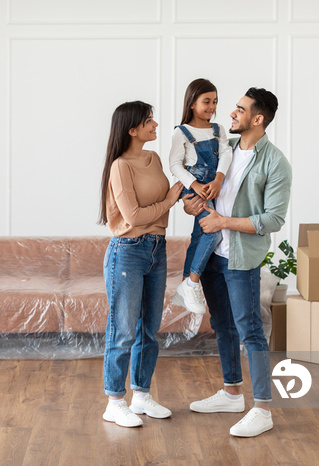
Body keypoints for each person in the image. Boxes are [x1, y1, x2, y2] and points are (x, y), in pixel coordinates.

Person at [184, 87, 292, 437]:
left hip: (241, 258)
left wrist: (224, 223)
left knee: (251, 331)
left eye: (240, 110)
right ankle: (232, 392)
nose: (231, 114)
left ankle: (263, 409)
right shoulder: (224, 151)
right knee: (223, 325)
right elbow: (211, 195)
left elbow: (273, 219)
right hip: (213, 252)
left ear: (257, 119)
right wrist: (194, 203)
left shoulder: (275, 163)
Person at [97, 101, 183, 428]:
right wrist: (168, 202)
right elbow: (132, 218)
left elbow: (153, 214)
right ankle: (114, 401)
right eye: (149, 121)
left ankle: (141, 395)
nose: (156, 124)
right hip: (127, 251)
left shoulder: (154, 158)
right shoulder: (120, 166)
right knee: (123, 330)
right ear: (132, 129)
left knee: (149, 329)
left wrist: (169, 205)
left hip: (156, 248)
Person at [169, 78, 233, 315]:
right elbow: (175, 165)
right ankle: (192, 282)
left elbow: (226, 153)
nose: (212, 107)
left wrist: (218, 179)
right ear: (192, 102)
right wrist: (194, 185)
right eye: (206, 101)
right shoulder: (181, 132)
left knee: (199, 235)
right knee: (213, 231)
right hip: (194, 188)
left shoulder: (218, 130)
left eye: (215, 102)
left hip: (214, 186)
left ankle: (185, 283)